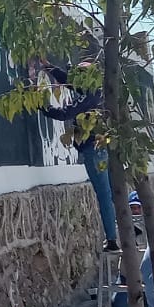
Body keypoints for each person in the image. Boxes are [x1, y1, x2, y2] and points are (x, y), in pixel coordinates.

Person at [40, 62, 117, 248]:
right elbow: (69, 82)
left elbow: (64, 113)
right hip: (103, 147)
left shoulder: (90, 96)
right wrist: (49, 67)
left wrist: (41, 106)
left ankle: (112, 240)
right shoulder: (97, 92)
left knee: (104, 194)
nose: (75, 79)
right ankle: (120, 232)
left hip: (94, 150)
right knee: (109, 193)